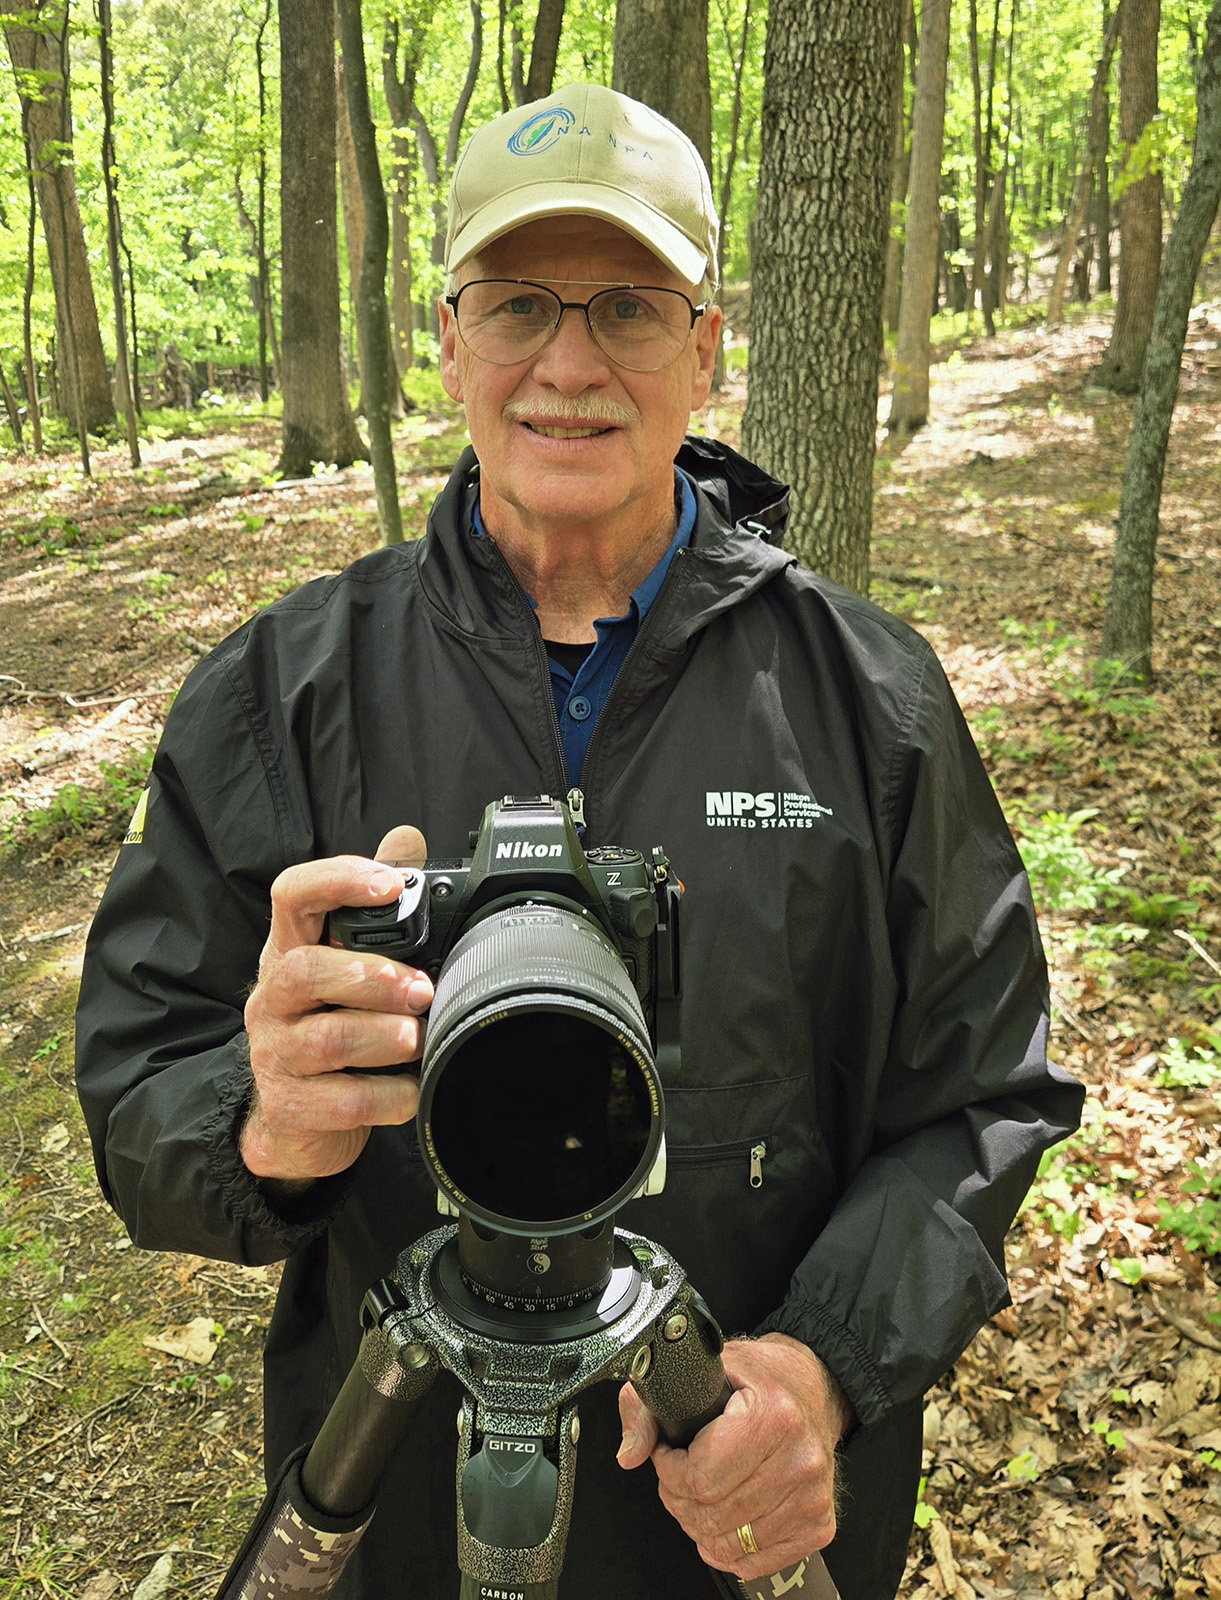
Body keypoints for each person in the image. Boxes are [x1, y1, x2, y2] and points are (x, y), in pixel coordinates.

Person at [75, 84, 1082, 1600]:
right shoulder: (282, 695)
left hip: (741, 1511)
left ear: (705, 345)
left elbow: (983, 1099)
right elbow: (138, 1093)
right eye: (519, 304)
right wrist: (260, 1113)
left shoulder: (865, 701)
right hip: (393, 1478)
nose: (568, 362)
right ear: (447, 337)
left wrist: (821, 1371)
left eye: (626, 304)